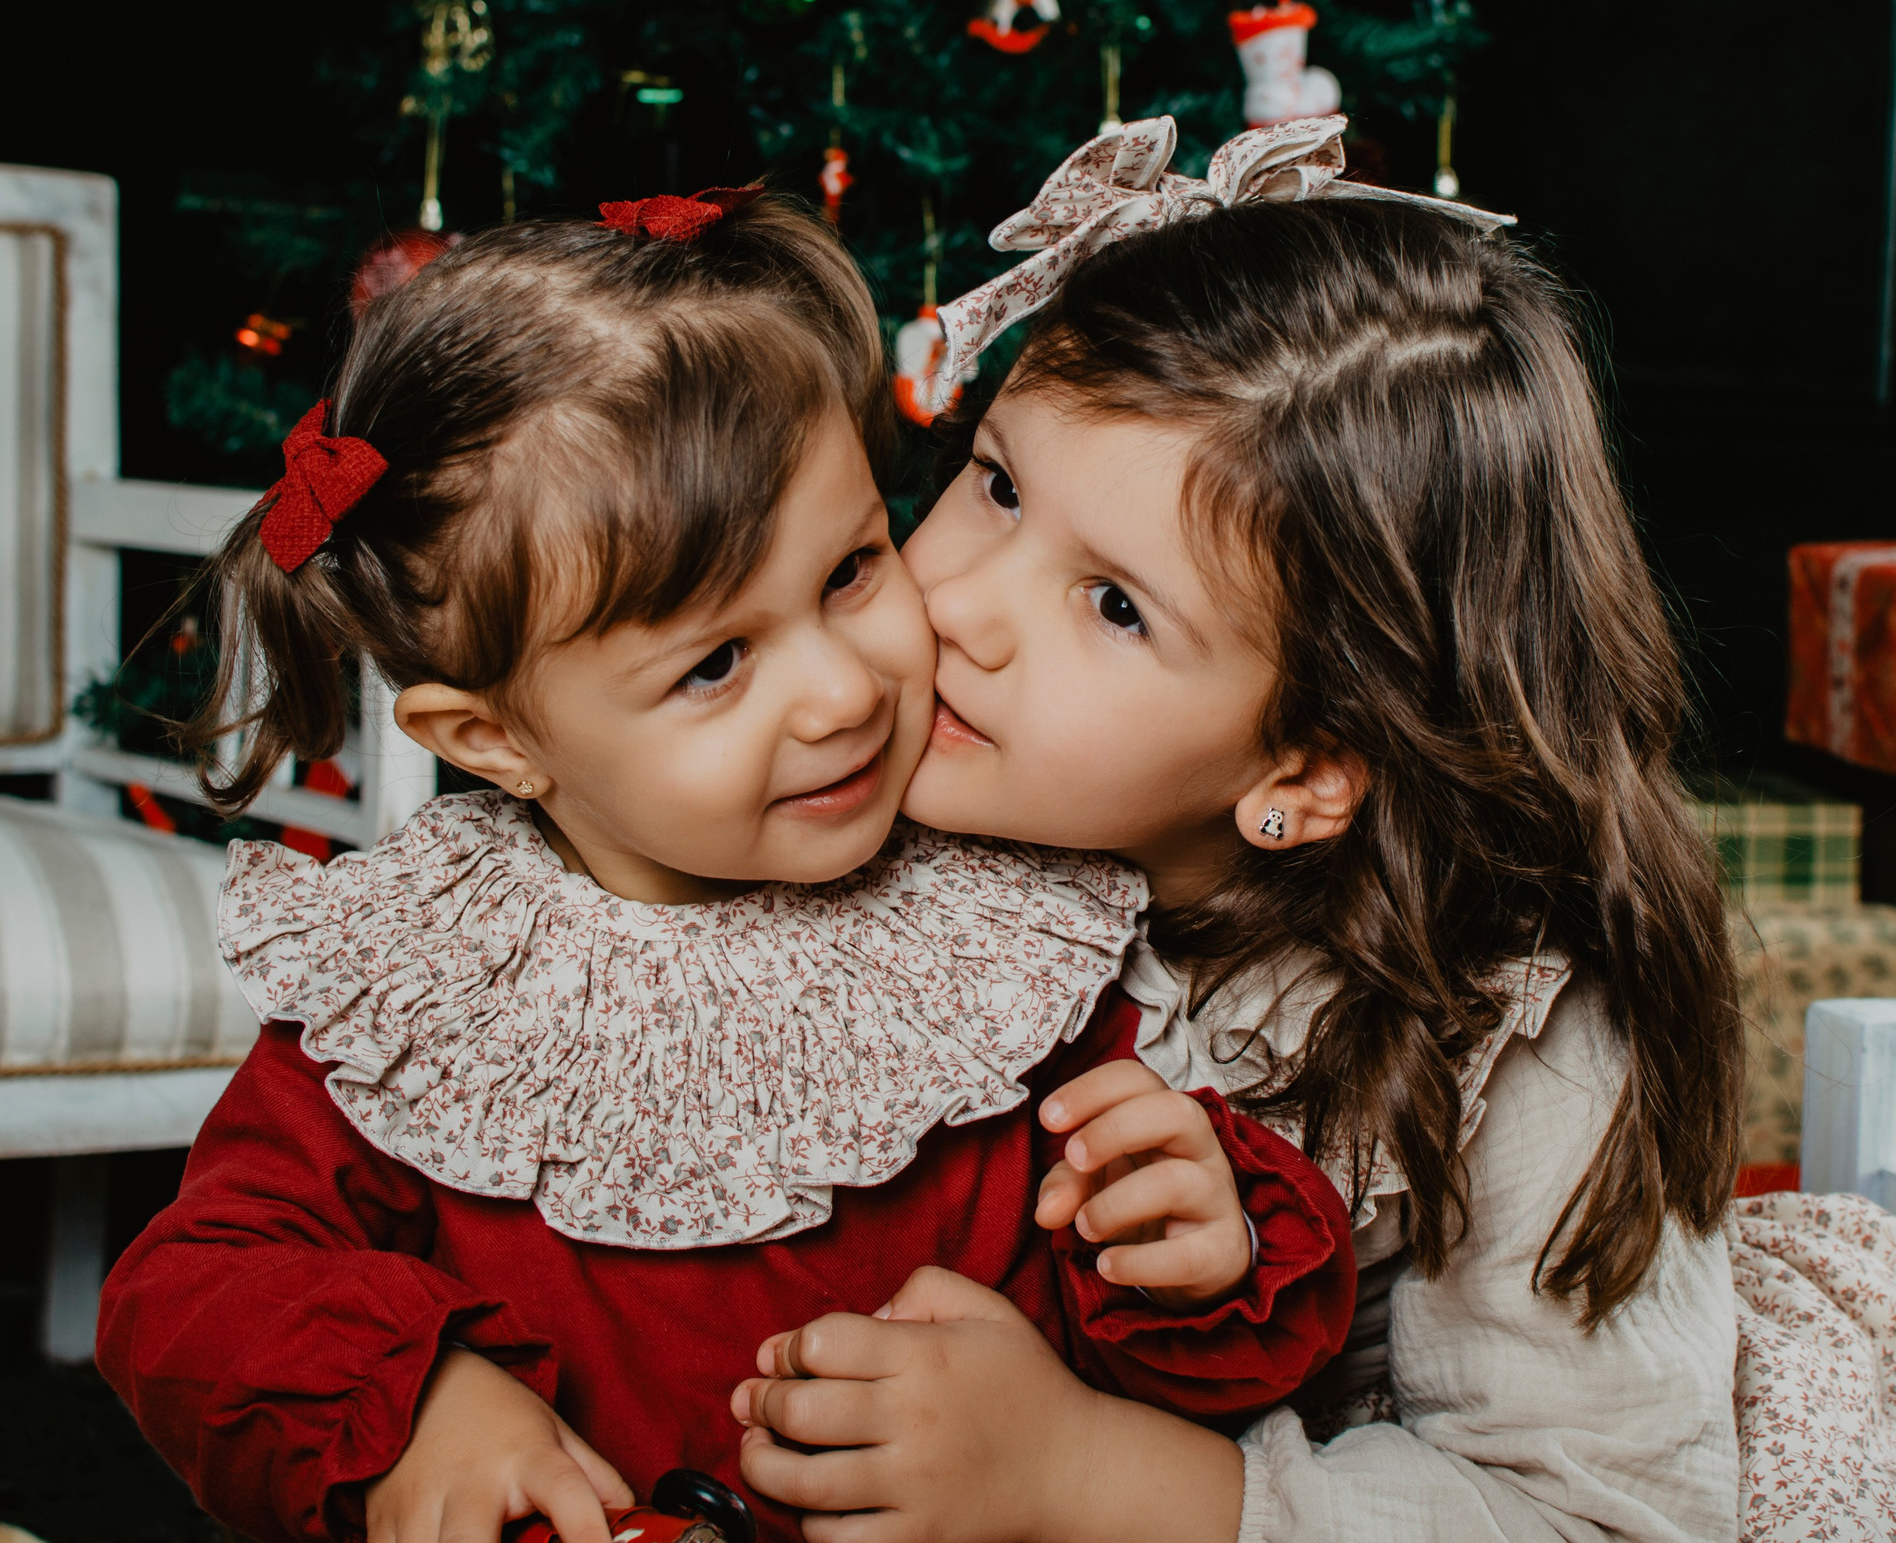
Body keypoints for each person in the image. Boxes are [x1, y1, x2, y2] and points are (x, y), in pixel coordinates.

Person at [729, 118, 1896, 1543]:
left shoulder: (1515, 1033)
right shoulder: (870, 808)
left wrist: (1079, 1476)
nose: (961, 605)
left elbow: (1584, 1517)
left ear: (1306, 764)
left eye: (1114, 604)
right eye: (996, 483)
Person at [94, 187, 1360, 1543]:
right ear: (501, 737)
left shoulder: (1008, 931)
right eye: (714, 661)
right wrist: (425, 1404)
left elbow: (1151, 1371)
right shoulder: (425, 996)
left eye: (852, 570)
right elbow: (188, 1290)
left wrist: (1188, 1249)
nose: (840, 694)